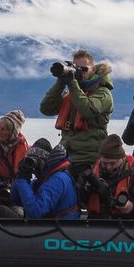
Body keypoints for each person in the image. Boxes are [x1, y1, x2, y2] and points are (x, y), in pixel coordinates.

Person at [39, 50, 114, 182]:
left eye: (84, 69)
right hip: (67, 155)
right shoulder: (72, 92)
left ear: (94, 69)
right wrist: (61, 82)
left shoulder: (103, 93)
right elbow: (46, 109)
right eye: (77, 68)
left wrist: (72, 83)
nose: (80, 72)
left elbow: (88, 109)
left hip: (89, 158)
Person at [77, 133, 134, 219]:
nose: (108, 167)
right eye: (105, 163)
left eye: (113, 163)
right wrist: (86, 190)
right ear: (100, 159)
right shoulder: (90, 173)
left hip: (124, 221)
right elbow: (79, 200)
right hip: (97, 220)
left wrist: (132, 207)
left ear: (122, 158)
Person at [12, 137, 80, 220]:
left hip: (62, 228)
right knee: (2, 210)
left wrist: (22, 180)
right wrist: (22, 176)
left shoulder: (57, 179)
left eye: (36, 161)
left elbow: (35, 213)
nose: (33, 166)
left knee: (1, 212)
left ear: (46, 161)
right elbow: (16, 200)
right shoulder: (42, 180)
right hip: (51, 225)